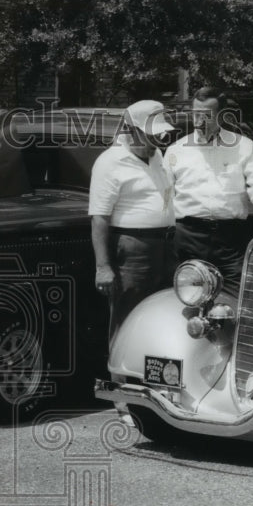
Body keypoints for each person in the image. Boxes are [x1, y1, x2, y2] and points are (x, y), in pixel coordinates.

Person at [162, 86, 253, 291]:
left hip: (230, 241)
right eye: (196, 114)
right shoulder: (176, 150)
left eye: (207, 116)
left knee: (239, 298)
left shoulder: (243, 146)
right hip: (188, 239)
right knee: (188, 300)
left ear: (221, 116)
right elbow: (165, 197)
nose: (200, 122)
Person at [89, 100, 176, 344]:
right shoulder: (110, 161)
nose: (159, 140)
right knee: (128, 318)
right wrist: (103, 267)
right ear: (132, 130)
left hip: (166, 248)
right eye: (152, 135)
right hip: (133, 250)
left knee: (162, 316)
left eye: (161, 134)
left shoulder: (157, 156)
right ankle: (121, 378)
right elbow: (99, 217)